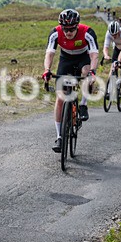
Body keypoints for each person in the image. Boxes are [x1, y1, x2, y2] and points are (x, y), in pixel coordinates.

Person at [42, 8, 99, 153]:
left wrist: (93, 72)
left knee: (86, 73)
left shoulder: (87, 32)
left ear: (77, 25)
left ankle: (83, 105)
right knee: (60, 98)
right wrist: (47, 70)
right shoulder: (55, 33)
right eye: (65, 29)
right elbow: (49, 54)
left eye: (71, 29)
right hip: (65, 59)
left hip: (83, 58)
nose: (68, 32)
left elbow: (94, 55)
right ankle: (59, 136)